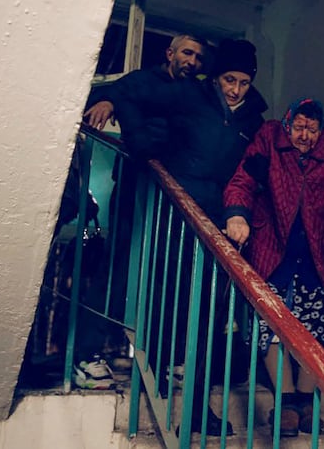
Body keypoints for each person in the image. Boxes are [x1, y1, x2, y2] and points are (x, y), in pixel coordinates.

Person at [110, 38, 267, 437]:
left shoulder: (254, 119)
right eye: (229, 79)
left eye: (244, 82)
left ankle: (198, 410)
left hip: (217, 226)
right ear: (215, 77)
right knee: (169, 297)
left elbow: (246, 175)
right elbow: (128, 93)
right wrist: (140, 144)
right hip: (178, 214)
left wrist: (238, 214)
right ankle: (158, 373)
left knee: (209, 318)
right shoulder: (187, 94)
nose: (235, 89)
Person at [68, 34, 208, 391]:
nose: (192, 61)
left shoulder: (197, 93)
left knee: (167, 277)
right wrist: (107, 101)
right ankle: (86, 356)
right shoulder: (143, 80)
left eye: (198, 57)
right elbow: (117, 90)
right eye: (187, 53)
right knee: (117, 267)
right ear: (170, 54)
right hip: (137, 186)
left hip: (174, 193)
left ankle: (162, 361)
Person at [222, 98, 324, 438]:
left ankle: (306, 404)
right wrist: (236, 214)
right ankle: (286, 403)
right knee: (272, 328)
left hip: (320, 253)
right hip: (273, 249)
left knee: (316, 330)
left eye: (313, 130)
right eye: (299, 128)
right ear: (288, 124)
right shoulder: (269, 139)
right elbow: (242, 180)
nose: (305, 136)